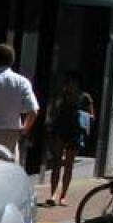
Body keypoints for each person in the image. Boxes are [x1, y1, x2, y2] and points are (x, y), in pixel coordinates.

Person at [44, 73, 86, 207]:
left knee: (69, 165)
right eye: (69, 82)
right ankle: (52, 194)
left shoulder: (84, 97)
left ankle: (63, 196)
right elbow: (53, 112)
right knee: (57, 163)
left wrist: (82, 116)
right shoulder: (61, 96)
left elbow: (92, 116)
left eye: (73, 83)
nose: (71, 85)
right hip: (60, 130)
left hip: (75, 132)